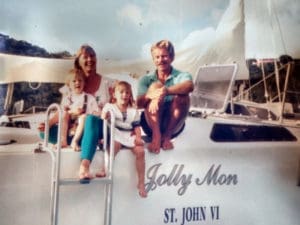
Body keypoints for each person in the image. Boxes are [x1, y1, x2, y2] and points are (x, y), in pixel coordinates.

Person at [38, 44, 115, 181]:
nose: (90, 59)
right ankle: (69, 142)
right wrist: (48, 123)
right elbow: (63, 111)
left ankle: (84, 165)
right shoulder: (70, 87)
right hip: (75, 130)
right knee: (44, 132)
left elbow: (120, 102)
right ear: (78, 61)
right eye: (85, 57)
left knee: (90, 119)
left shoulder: (108, 83)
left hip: (97, 129)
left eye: (92, 56)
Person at [137, 40, 194, 154]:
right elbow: (138, 104)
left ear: (172, 58)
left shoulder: (181, 75)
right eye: (157, 57)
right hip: (150, 125)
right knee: (155, 86)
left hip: (172, 126)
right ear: (153, 60)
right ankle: (157, 136)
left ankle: (166, 136)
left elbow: (189, 86)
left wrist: (166, 91)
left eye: (164, 56)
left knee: (183, 97)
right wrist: (151, 95)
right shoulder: (145, 79)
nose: (160, 60)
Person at [97, 81, 147, 198]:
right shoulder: (110, 107)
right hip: (116, 133)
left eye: (127, 93)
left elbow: (136, 126)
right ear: (114, 95)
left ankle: (141, 182)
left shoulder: (133, 111)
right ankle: (105, 169)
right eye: (121, 92)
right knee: (115, 146)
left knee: (140, 151)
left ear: (130, 95)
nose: (124, 95)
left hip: (129, 134)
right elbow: (103, 117)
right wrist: (105, 116)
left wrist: (138, 138)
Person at [60, 69, 99, 151]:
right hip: (70, 127)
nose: (77, 83)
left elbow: (96, 113)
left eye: (80, 80)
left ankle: (75, 141)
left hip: (83, 128)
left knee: (84, 117)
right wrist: (74, 112)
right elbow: (64, 110)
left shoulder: (89, 98)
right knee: (64, 114)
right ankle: (63, 140)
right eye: (74, 81)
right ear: (69, 84)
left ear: (84, 83)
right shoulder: (67, 98)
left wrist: (89, 113)